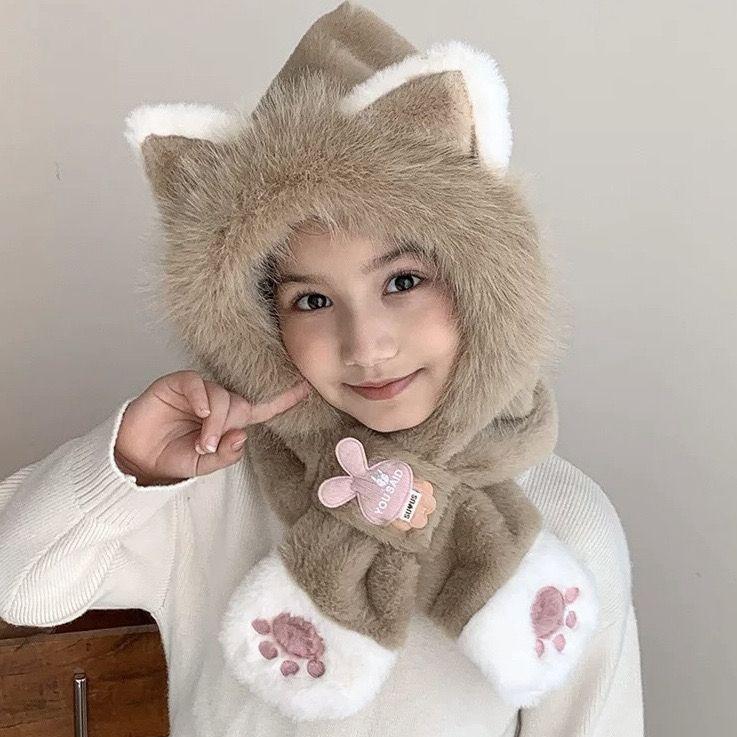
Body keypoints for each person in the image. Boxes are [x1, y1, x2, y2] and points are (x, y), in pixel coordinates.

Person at [0, 2, 644, 735]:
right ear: (259, 324)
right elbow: (22, 586)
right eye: (311, 299)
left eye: (403, 281)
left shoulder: (567, 517)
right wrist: (126, 467)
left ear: (484, 283)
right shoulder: (211, 489)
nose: (364, 345)